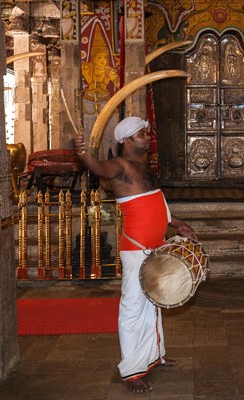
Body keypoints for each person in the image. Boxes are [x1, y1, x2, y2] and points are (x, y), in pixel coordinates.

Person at [73, 116, 197, 393]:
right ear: (127, 140)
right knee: (132, 309)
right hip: (136, 249)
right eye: (142, 134)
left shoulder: (144, 167)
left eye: (147, 132)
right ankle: (131, 372)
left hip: (155, 246)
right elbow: (96, 166)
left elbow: (153, 202)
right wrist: (82, 151)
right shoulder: (119, 166)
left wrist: (175, 222)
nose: (148, 136)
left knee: (153, 304)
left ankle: (154, 356)